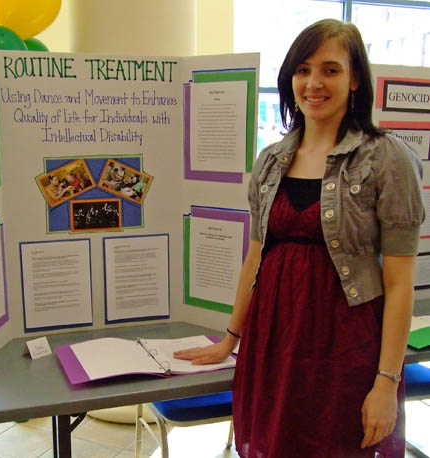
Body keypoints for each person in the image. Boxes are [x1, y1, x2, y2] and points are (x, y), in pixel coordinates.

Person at [174, 18, 425, 458]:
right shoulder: (270, 161)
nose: (314, 82)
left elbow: (399, 281)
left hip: (347, 349)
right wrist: (231, 338)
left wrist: (386, 381)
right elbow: (255, 259)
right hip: (275, 343)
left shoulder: (388, 159)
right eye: (303, 69)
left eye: (330, 69)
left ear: (355, 80)